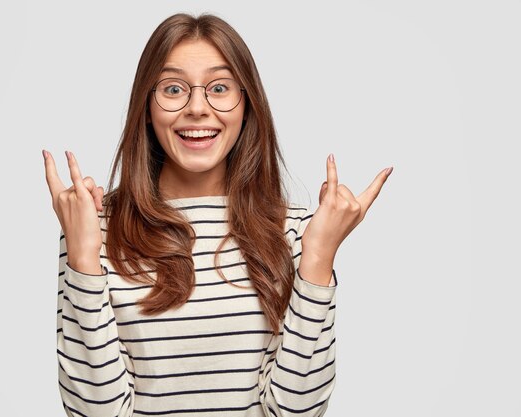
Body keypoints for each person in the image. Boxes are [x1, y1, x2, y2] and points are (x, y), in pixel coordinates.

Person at [43, 12, 392, 417]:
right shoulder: (94, 229)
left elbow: (297, 412)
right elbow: (93, 412)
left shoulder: (296, 232)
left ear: (246, 104)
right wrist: (84, 258)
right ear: (146, 105)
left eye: (220, 88)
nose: (197, 108)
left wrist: (319, 258)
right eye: (173, 89)